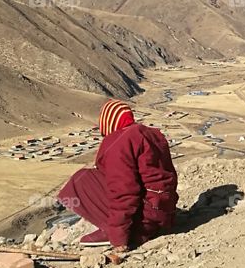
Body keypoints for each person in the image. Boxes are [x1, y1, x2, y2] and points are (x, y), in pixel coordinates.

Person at [56, 99, 178, 250]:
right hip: (162, 213)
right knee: (93, 175)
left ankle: (114, 229)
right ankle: (140, 226)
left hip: (145, 221)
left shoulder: (120, 142)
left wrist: (118, 237)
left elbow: (124, 191)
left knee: (80, 181)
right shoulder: (148, 133)